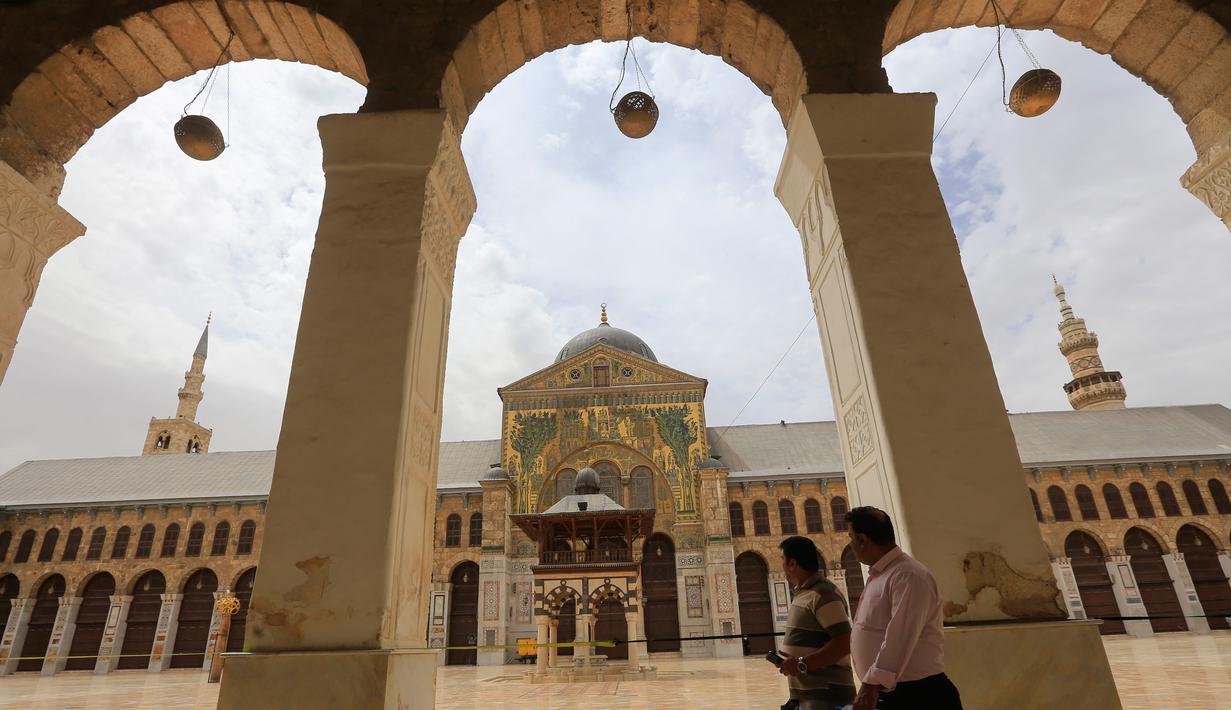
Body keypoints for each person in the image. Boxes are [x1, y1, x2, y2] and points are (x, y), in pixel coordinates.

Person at [845, 506, 962, 710]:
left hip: (919, 695)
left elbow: (900, 634)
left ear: (862, 540)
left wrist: (872, 683)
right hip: (894, 692)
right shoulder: (884, 575)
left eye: (850, 537)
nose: (850, 545)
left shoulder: (907, 575)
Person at [775, 535, 856, 710]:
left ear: (792, 564)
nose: (781, 566)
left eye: (782, 559)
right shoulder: (805, 594)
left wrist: (801, 663)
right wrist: (791, 662)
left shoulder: (823, 593)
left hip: (827, 698)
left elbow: (844, 642)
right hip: (810, 697)